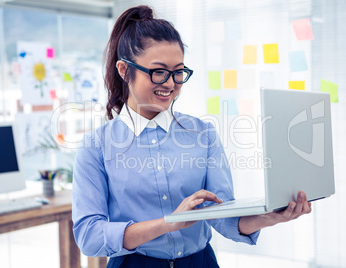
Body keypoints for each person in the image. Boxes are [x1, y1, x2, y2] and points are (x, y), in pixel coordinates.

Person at [72, 5, 312, 268]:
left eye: (178, 72)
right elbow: (89, 236)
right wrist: (168, 223)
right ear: (124, 70)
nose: (171, 83)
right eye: (159, 71)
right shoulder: (96, 147)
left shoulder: (202, 134)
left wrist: (269, 217)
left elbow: (221, 215)